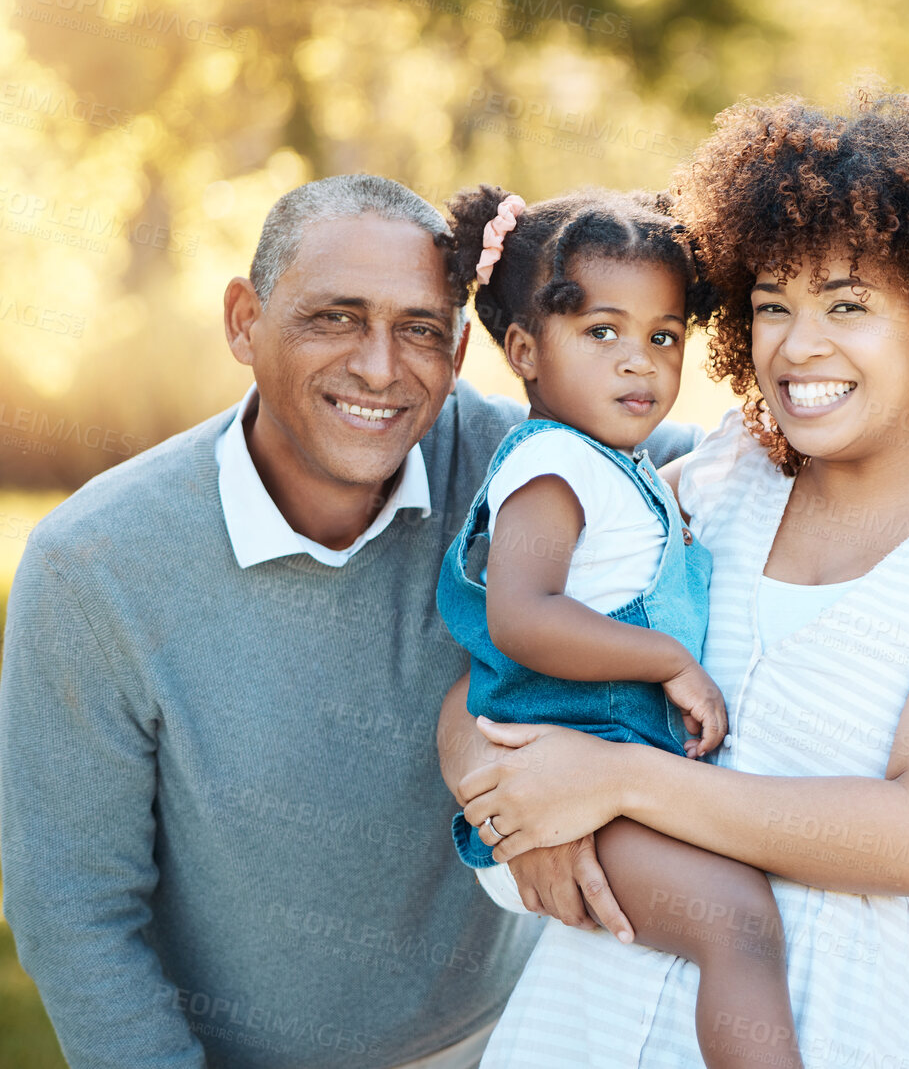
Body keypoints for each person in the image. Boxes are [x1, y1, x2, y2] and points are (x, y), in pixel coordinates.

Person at [438, 90, 909, 1068]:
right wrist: (515, 818)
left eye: (847, 306)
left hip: (840, 1015)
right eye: (771, 305)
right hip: (600, 998)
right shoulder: (725, 475)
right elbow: (494, 670)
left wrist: (616, 778)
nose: (798, 345)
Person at [0, 175, 692, 1067]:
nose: (379, 366)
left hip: (508, 1034)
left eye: (419, 329)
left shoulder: (524, 470)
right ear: (245, 320)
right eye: (335, 317)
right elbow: (74, 902)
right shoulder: (93, 565)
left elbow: (756, 463)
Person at [436, 183, 802, 1068]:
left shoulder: (620, 464)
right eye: (602, 332)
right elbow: (523, 618)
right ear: (524, 348)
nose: (638, 362)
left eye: (662, 336)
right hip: (558, 790)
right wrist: (666, 657)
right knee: (742, 926)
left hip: (604, 775)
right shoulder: (552, 466)